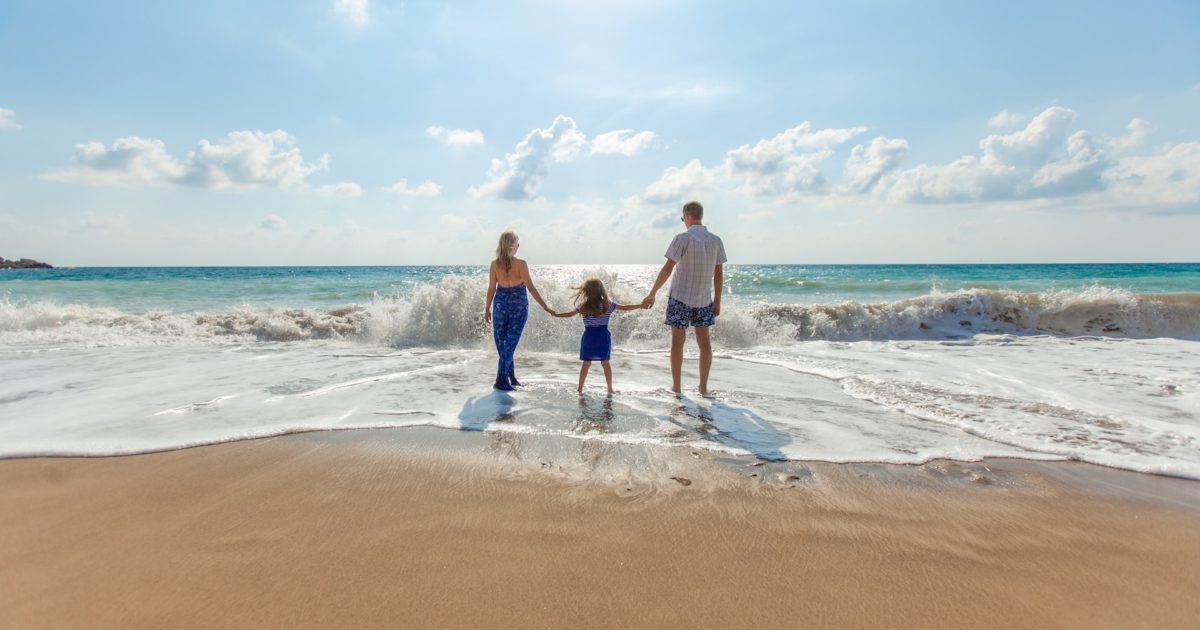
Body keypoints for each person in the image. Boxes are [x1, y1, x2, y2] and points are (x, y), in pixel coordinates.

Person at [641, 200, 727, 396]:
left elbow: (668, 268)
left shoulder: (682, 238)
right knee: (704, 343)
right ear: (700, 216)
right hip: (704, 299)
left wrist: (652, 293)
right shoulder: (716, 240)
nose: (683, 221)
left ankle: (677, 387)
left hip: (680, 297)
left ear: (687, 216)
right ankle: (703, 388)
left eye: (683, 218)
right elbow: (719, 275)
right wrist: (718, 300)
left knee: (677, 343)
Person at [484, 230, 552, 391]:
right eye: (517, 244)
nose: (519, 247)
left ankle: (511, 377)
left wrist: (487, 309)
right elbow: (531, 288)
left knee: (505, 345)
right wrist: (546, 307)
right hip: (518, 308)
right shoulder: (521, 264)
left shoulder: (495, 264)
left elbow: (491, 290)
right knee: (507, 345)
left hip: (500, 306)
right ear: (512, 246)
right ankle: (501, 380)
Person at [553, 278, 645, 395]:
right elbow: (625, 307)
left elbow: (569, 314)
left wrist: (556, 314)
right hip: (602, 337)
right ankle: (610, 389)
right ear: (602, 290)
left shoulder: (584, 306)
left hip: (589, 337)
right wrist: (641, 305)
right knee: (605, 363)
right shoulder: (608, 305)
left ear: (586, 291)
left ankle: (580, 388)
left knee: (586, 364)